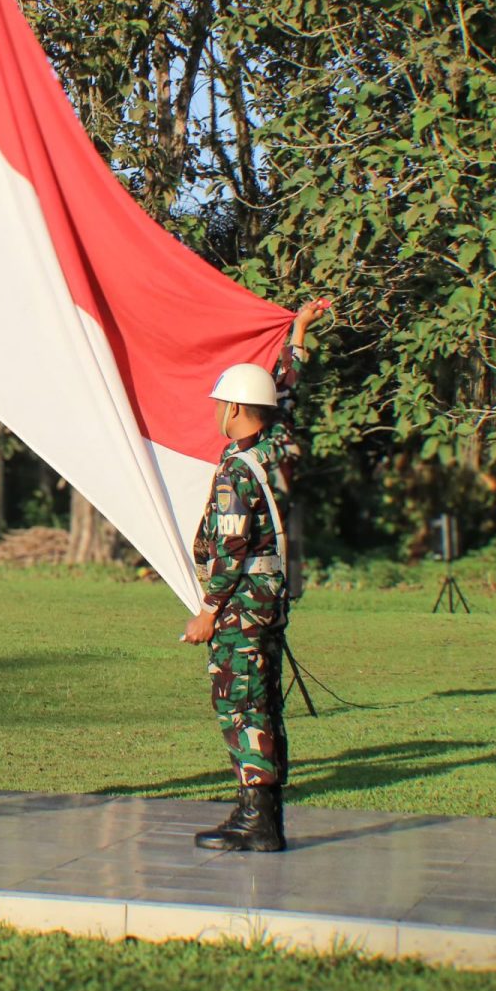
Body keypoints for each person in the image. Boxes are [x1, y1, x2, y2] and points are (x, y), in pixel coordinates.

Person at [183, 298, 330, 853]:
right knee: (265, 702)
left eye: (222, 404)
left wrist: (207, 611)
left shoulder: (237, 470)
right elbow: (287, 394)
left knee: (241, 703)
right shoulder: (280, 446)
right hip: (270, 599)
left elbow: (229, 548)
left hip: (241, 603)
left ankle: (257, 821)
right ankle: (263, 815)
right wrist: (298, 337)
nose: (217, 412)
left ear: (237, 409)